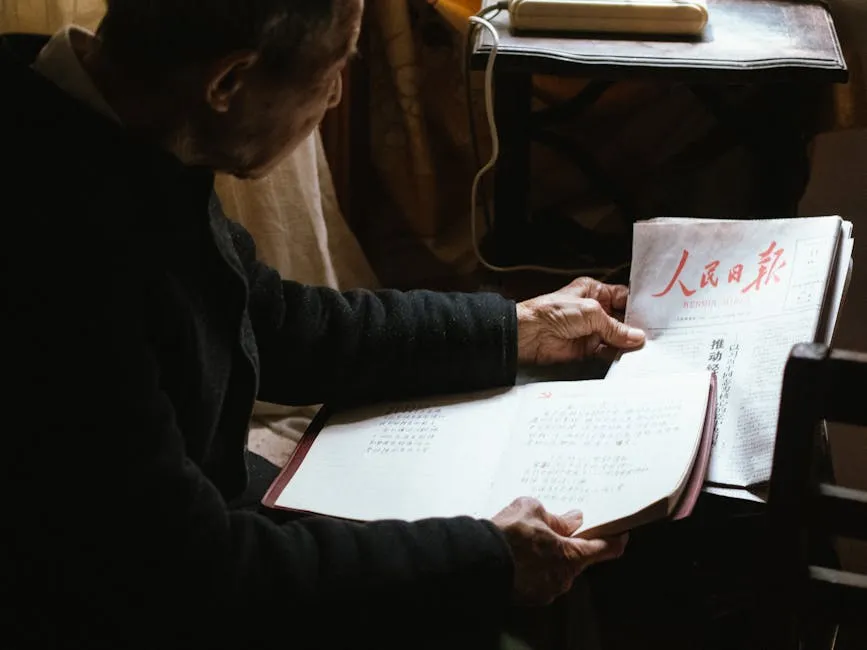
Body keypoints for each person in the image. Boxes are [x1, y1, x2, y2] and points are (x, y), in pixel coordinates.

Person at [1, 1, 646, 648]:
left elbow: (268, 319)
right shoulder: (58, 252)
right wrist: (483, 556)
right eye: (331, 72)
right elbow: (182, 571)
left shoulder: (112, 122)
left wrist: (513, 328)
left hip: (186, 533)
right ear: (228, 82)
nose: (337, 95)